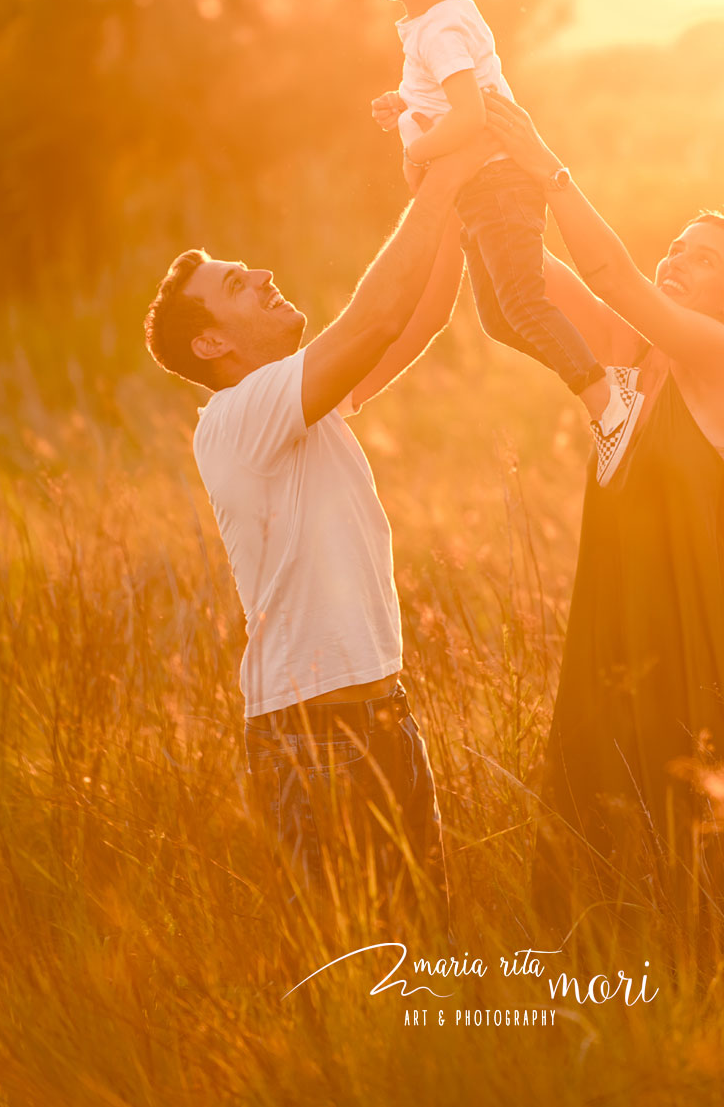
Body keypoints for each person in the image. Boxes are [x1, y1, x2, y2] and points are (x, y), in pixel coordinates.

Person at [143, 129, 489, 941]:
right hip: (312, 740)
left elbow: (424, 314)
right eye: (236, 283)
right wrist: (439, 182)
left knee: (419, 954)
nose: (262, 273)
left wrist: (457, 198)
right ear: (213, 342)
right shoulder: (238, 417)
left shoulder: (304, 403)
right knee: (352, 969)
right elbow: (371, 322)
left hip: (385, 723)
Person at [483, 91, 724, 933]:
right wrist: (462, 168)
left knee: (710, 884)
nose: (677, 260)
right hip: (613, 640)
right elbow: (518, 286)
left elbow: (610, 274)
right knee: (610, 861)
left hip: (698, 644)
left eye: (703, 259)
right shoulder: (625, 358)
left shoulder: (718, 359)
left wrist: (548, 168)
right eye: (676, 247)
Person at [371, 0, 641, 486]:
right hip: (487, 187)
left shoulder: (439, 31)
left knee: (522, 302)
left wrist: (417, 145)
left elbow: (468, 116)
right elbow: (447, 98)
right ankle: (606, 377)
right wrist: (406, 104)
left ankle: (610, 405)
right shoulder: (433, 24)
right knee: (498, 318)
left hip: (497, 183)